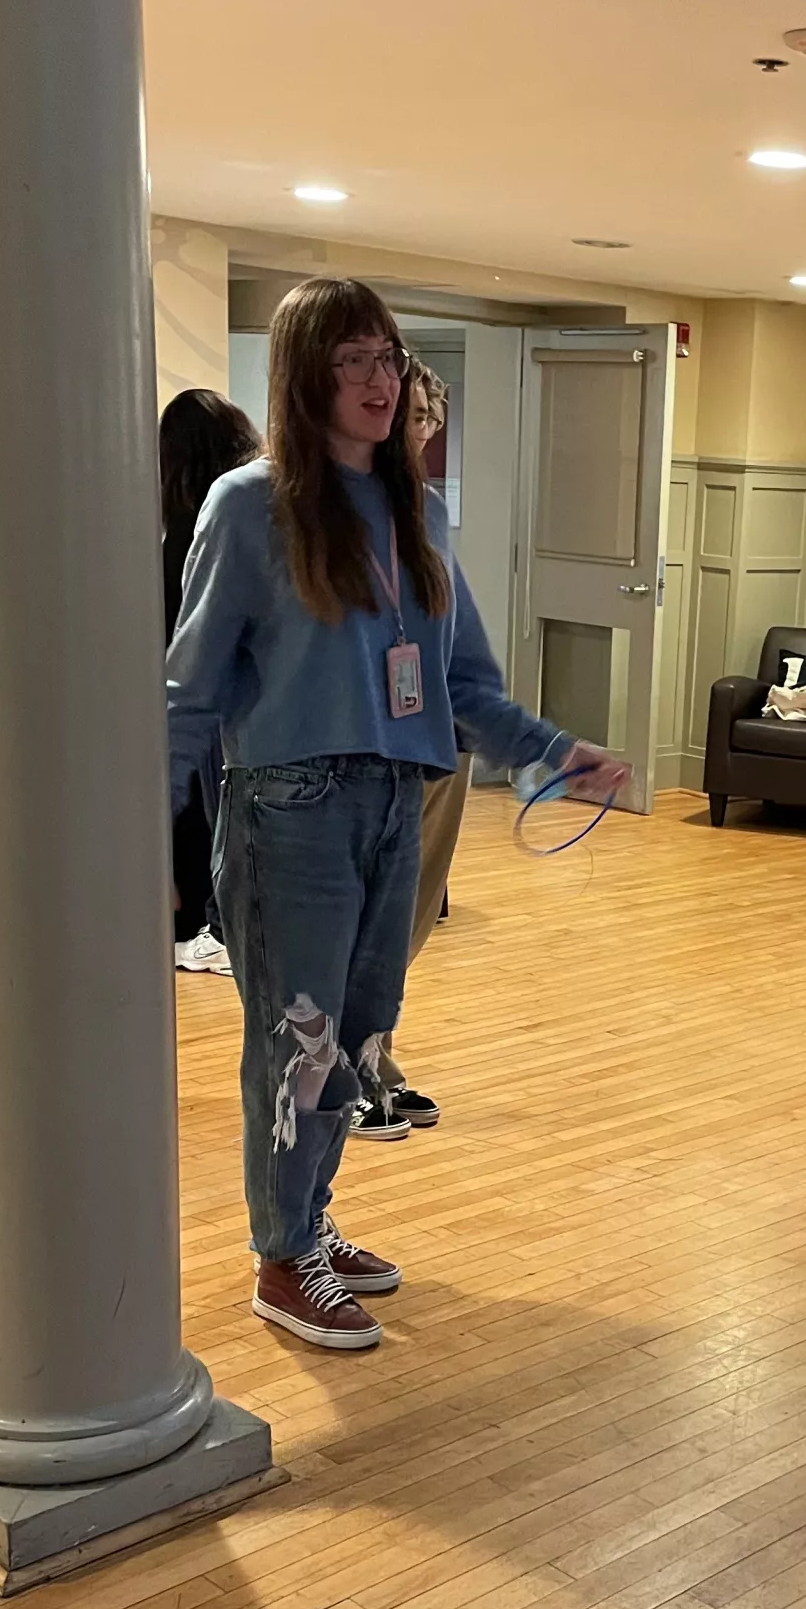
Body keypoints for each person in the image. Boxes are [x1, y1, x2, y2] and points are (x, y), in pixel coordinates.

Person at [167, 276, 627, 1351]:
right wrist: (159, 844)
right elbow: (187, 691)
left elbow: (464, 682)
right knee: (299, 1042)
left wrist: (557, 752)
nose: (382, 383)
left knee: (363, 1038)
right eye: (355, 361)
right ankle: (280, 1259)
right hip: (290, 808)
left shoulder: (418, 509)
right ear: (306, 377)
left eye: (391, 360)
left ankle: (310, 1223)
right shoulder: (250, 502)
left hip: (392, 803)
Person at [358, 359, 466, 1138]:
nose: (419, 431)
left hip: (432, 735)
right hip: (360, 748)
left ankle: (377, 1052)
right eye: (411, 416)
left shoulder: (428, 510)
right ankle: (352, 1067)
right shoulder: (326, 505)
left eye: (429, 419)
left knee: (407, 917)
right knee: (363, 925)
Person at [160, 388, 261, 977]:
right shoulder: (248, 506)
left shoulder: (202, 526)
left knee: (224, 809)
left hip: (216, 702)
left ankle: (223, 929)